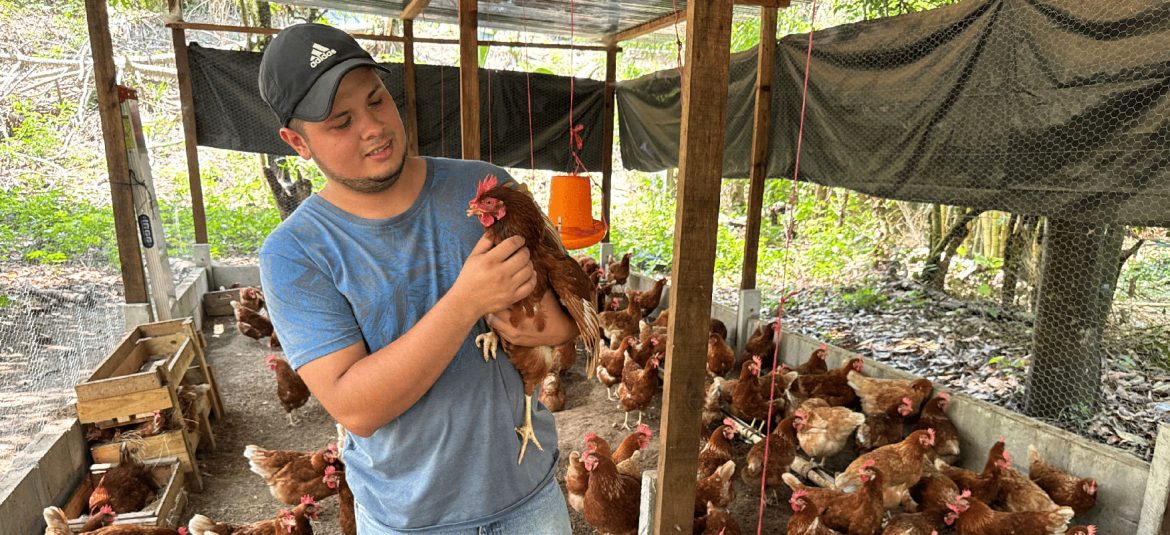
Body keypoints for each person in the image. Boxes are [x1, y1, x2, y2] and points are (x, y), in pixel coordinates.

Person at [256, 23, 578, 534]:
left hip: (529, 498)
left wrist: (546, 329)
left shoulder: (484, 184)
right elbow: (355, 408)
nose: (373, 127)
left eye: (377, 101)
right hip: (411, 519)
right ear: (298, 142)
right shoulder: (294, 253)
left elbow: (568, 314)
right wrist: (467, 301)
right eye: (341, 121)